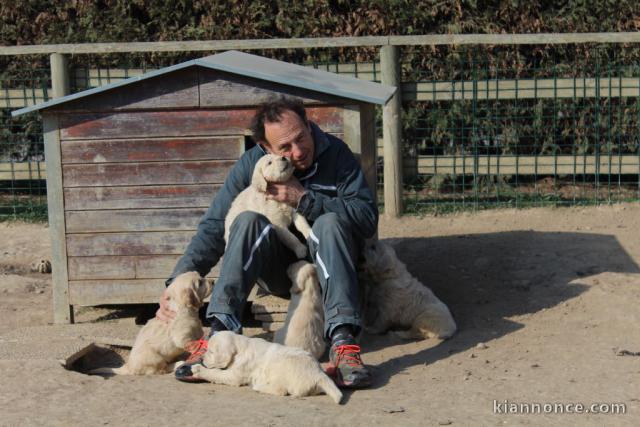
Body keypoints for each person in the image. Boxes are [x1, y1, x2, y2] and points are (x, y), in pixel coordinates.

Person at [156, 96, 378, 388]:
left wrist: (305, 200)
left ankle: (343, 343)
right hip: (278, 271)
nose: (298, 151)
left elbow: (366, 218)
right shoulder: (252, 165)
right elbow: (212, 227)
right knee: (246, 219)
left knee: (330, 222)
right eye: (285, 147)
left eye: (301, 137)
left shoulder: (338, 156)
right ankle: (219, 334)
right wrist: (176, 282)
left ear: (309, 124)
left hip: (330, 272)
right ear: (265, 148)